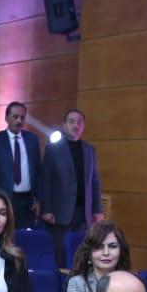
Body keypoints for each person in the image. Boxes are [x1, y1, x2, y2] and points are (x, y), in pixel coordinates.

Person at [41, 109, 104, 268]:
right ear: (64, 125)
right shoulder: (53, 149)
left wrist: (97, 209)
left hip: (84, 213)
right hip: (60, 212)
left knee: (83, 253)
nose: (76, 125)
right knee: (61, 255)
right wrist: (46, 209)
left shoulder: (90, 150)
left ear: (83, 126)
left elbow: (94, 181)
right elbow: (45, 180)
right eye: (72, 121)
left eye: (79, 122)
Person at [0, 102, 42, 231]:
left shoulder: (32, 139)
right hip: (3, 199)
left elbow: (38, 171)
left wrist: (38, 199)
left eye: (22, 117)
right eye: (15, 117)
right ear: (7, 118)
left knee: (25, 237)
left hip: (27, 201)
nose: (19, 121)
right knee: (3, 234)